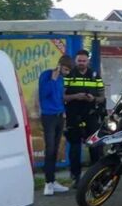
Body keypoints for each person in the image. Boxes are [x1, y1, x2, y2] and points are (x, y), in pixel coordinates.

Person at [63, 49, 105, 183]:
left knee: (95, 146)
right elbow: (62, 97)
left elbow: (102, 97)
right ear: (75, 61)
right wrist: (76, 96)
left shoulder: (95, 75)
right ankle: (76, 177)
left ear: (88, 61)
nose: (81, 63)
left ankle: (95, 176)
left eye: (84, 61)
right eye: (79, 61)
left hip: (91, 114)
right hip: (74, 115)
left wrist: (93, 99)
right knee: (75, 147)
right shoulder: (69, 75)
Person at [38, 55, 72, 196]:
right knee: (50, 148)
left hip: (59, 116)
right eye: (65, 69)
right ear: (59, 65)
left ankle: (53, 181)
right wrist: (52, 79)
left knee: (56, 148)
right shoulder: (46, 75)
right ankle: (48, 182)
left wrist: (63, 112)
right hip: (48, 116)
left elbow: (59, 98)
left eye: (68, 70)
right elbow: (43, 94)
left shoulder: (61, 79)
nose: (66, 72)